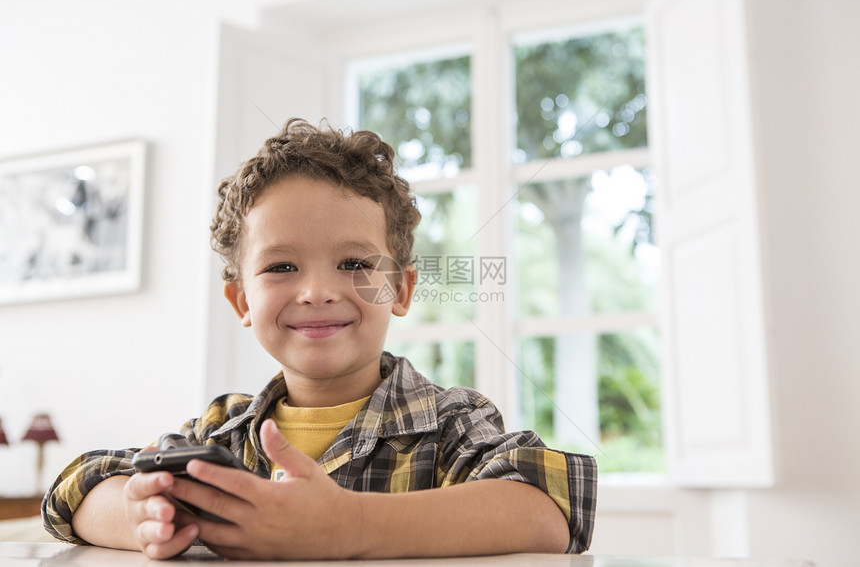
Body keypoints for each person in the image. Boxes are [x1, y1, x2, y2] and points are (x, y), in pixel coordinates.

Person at [42, 118, 597, 560]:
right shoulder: (219, 435)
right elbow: (76, 486)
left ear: (400, 290)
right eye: (281, 266)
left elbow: (550, 506)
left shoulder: (450, 424)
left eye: (354, 262)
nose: (316, 291)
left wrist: (347, 526)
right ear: (241, 300)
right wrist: (143, 517)